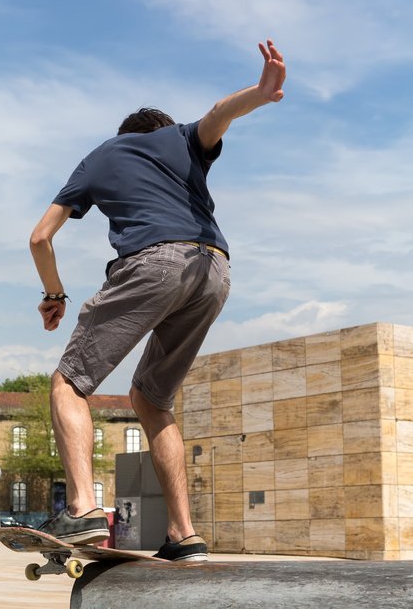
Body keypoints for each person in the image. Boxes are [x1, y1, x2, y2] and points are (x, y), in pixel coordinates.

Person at [29, 39, 286, 561]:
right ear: (162, 131)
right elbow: (217, 114)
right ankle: (183, 534)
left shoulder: (100, 156)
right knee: (152, 399)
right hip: (213, 269)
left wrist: (54, 294)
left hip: (152, 263)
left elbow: (40, 238)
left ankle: (80, 510)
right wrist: (260, 93)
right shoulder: (181, 140)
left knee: (69, 384)